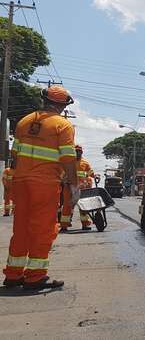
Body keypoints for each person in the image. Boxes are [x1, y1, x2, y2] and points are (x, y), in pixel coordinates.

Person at [3, 85, 77, 290]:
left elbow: (15, 155)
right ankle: (35, 276)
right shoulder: (62, 125)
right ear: (62, 106)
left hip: (21, 182)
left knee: (21, 228)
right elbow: (68, 159)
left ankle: (13, 274)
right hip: (44, 184)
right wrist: (73, 185)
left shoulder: (24, 121)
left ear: (44, 100)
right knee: (42, 229)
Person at [60, 145, 95, 231]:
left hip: (81, 188)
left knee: (83, 206)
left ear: (81, 153)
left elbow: (91, 173)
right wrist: (64, 180)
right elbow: (62, 174)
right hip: (69, 187)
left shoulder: (85, 163)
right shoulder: (68, 163)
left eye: (79, 151)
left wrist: (96, 176)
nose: (78, 153)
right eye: (76, 151)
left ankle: (85, 224)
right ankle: (64, 225)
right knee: (67, 206)